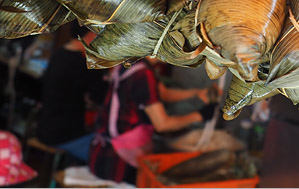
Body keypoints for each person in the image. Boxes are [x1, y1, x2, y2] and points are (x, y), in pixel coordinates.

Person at [88, 58, 217, 184]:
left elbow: (162, 93)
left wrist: (196, 93)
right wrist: (200, 115)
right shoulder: (142, 73)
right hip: (116, 161)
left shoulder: (132, 62)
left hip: (102, 150)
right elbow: (162, 124)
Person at [36, 25, 108, 163]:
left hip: (44, 127)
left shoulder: (59, 54)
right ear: (90, 36)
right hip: (64, 135)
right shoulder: (84, 63)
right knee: (105, 159)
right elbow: (100, 96)